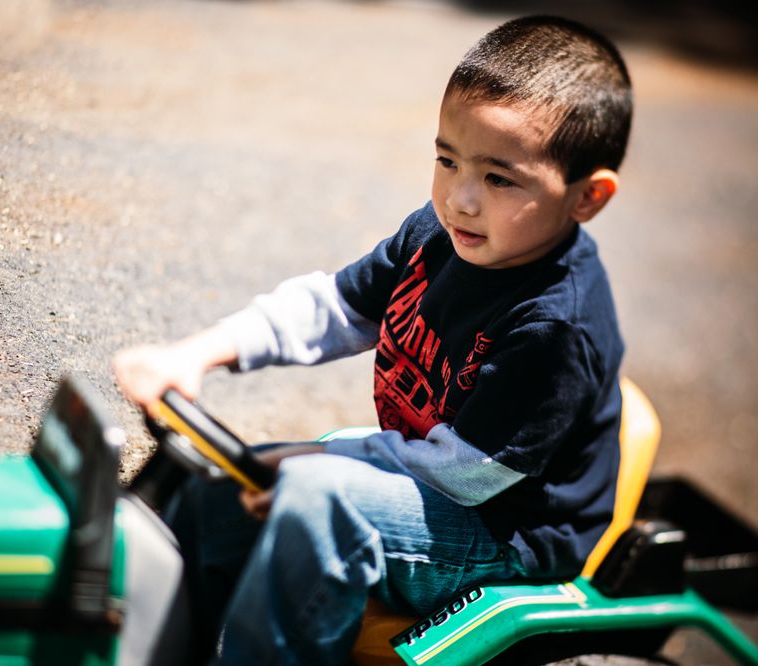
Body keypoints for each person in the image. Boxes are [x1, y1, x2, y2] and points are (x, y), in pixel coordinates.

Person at [113, 14, 632, 665]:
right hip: (431, 476)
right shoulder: (439, 236)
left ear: (588, 197)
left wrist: (321, 456)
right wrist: (196, 354)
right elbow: (333, 306)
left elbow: (465, 475)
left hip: (505, 535)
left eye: (500, 179)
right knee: (215, 488)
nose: (460, 198)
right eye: (447, 160)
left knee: (321, 504)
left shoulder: (555, 324)